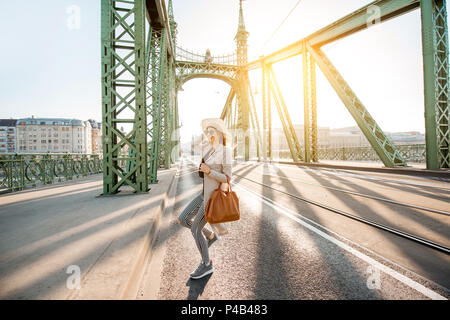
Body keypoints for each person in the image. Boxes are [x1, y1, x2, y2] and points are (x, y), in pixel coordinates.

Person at [177, 118, 233, 279]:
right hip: (203, 194)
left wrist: (209, 171)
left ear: (219, 133)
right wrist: (203, 134)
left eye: (211, 131)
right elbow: (193, 145)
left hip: (212, 198)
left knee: (195, 229)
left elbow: (228, 178)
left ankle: (206, 264)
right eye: (207, 131)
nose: (209, 134)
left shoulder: (225, 152)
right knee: (182, 219)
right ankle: (210, 235)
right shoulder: (207, 149)